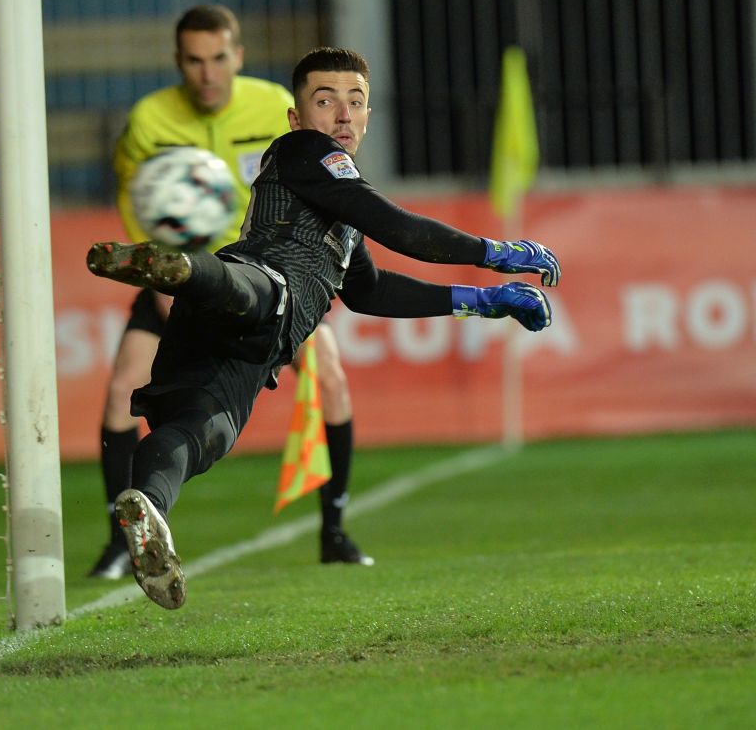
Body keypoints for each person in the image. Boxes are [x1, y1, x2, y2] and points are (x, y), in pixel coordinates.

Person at [86, 46, 560, 609]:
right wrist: (493, 251)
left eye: (355, 102)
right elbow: (398, 227)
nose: (342, 115)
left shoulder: (341, 211)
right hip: (255, 292)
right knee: (258, 288)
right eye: (325, 100)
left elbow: (370, 291)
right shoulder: (306, 151)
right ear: (296, 117)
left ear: (368, 115)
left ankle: (148, 511)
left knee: (200, 433)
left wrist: (482, 302)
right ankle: (185, 267)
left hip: (244, 348)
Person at [89, 6, 370, 580]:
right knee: (122, 387)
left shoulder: (275, 108)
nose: (207, 73)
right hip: (176, 275)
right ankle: (124, 538)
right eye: (194, 61)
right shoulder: (149, 119)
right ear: (178, 63)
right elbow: (134, 200)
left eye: (218, 58)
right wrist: (163, 281)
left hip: (272, 279)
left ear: (237, 56)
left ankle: (334, 529)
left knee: (331, 379)